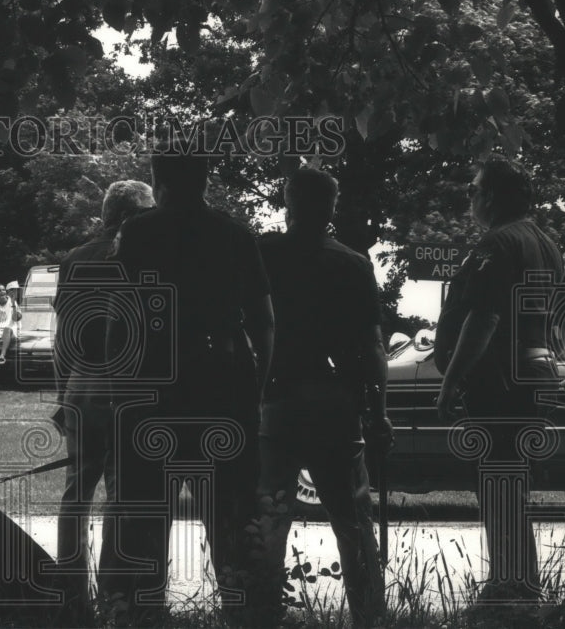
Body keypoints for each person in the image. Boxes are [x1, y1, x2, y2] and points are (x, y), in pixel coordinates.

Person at [106, 143, 275, 624]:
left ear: (158, 183)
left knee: (145, 509)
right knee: (231, 508)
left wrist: (121, 388)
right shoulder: (236, 235)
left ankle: (142, 609)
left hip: (152, 389)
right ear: (204, 182)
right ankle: (243, 608)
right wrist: (256, 386)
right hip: (222, 382)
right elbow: (263, 321)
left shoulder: (138, 232)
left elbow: (122, 316)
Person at [256, 168, 392, 627]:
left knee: (271, 515)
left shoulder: (264, 253)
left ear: (288, 202)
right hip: (336, 404)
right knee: (353, 522)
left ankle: (260, 614)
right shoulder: (353, 264)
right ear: (331, 206)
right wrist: (380, 411)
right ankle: (369, 617)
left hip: (275, 402)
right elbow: (372, 346)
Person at [434, 157, 564, 603]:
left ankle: (512, 588)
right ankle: (518, 582)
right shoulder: (546, 243)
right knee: (511, 481)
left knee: (498, 482)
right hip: (535, 374)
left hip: (501, 383)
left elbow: (483, 317)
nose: (469, 198)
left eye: (473, 190)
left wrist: (451, 380)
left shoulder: (498, 242)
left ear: (491, 196)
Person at [52, 180, 155, 623]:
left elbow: (63, 339)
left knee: (76, 493)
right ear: (134, 213)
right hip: (126, 387)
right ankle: (114, 598)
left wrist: (63, 393)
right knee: (121, 495)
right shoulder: (141, 255)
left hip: (81, 383)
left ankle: (71, 596)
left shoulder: (75, 259)